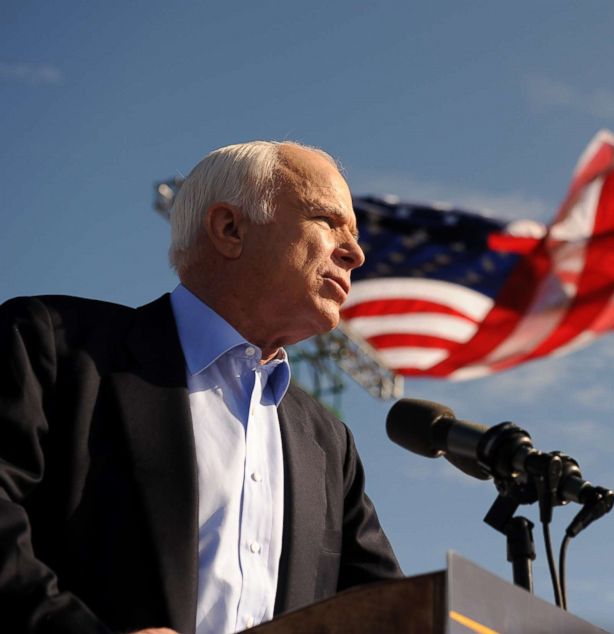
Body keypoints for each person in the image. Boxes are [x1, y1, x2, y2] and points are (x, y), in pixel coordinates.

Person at [0, 141, 403, 634]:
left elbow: (389, 613)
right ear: (230, 229)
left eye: (355, 234)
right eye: (326, 220)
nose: (356, 253)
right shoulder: (53, 345)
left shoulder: (328, 444)